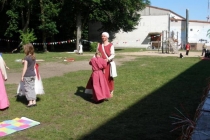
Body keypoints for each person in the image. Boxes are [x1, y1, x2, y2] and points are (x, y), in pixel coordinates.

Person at [85, 32, 115, 97]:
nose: (103, 37)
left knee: (108, 78)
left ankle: (110, 90)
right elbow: (96, 54)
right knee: (97, 78)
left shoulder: (111, 45)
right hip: (99, 65)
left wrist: (107, 59)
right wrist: (93, 59)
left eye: (104, 36)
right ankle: (97, 92)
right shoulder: (99, 45)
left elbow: (113, 55)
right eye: (102, 36)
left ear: (107, 37)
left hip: (107, 64)